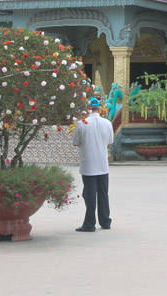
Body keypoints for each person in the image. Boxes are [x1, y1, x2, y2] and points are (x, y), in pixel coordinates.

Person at [72, 97, 113, 232]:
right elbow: (109, 142)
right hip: (102, 163)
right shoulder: (107, 123)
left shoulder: (81, 124)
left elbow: (76, 142)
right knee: (103, 193)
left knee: (90, 195)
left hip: (88, 164)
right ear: (99, 109)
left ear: (88, 109)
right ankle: (105, 221)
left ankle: (89, 223)